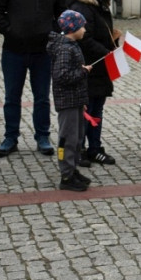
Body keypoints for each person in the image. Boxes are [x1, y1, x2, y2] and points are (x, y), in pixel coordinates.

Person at [0, 0, 66, 157]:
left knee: (42, 97)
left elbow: (63, 14)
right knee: (12, 97)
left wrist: (53, 32)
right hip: (14, 51)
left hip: (43, 52)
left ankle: (42, 136)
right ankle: (10, 137)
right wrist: (8, 30)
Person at [67, 0, 119, 166]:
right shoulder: (82, 7)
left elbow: (99, 32)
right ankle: (78, 149)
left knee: (97, 109)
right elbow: (85, 39)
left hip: (99, 67)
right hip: (86, 66)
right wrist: (106, 52)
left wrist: (113, 42)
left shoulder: (99, 4)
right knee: (84, 111)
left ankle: (94, 148)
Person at [46, 10, 92, 192]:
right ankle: (66, 175)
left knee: (77, 137)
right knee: (68, 138)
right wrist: (83, 71)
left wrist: (82, 101)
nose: (85, 30)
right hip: (67, 102)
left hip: (76, 100)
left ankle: (72, 170)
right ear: (73, 28)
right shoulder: (65, 48)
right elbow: (61, 75)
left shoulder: (71, 45)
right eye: (83, 26)